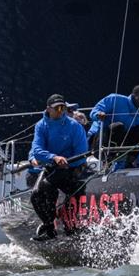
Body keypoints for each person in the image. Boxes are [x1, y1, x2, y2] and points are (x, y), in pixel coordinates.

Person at [29, 94, 88, 241]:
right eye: (58, 108)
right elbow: (36, 150)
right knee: (35, 194)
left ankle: (68, 223)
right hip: (52, 166)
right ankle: (49, 227)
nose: (61, 110)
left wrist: (66, 162)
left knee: (48, 185)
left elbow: (82, 154)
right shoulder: (41, 125)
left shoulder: (74, 126)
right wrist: (54, 158)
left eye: (63, 107)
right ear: (48, 109)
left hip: (72, 168)